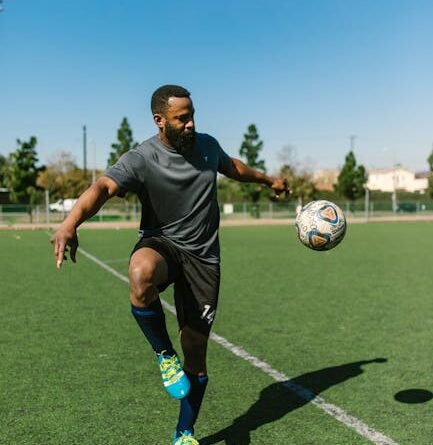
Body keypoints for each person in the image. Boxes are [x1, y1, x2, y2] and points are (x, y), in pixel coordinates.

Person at [51, 85, 289, 445]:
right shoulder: (142, 158)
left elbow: (233, 167)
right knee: (140, 272)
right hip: (162, 245)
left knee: (196, 358)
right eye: (183, 118)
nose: (191, 124)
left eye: (193, 115)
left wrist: (269, 179)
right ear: (160, 121)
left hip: (203, 259)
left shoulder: (207, 146)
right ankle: (164, 354)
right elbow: (102, 187)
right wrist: (71, 222)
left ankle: (184, 432)